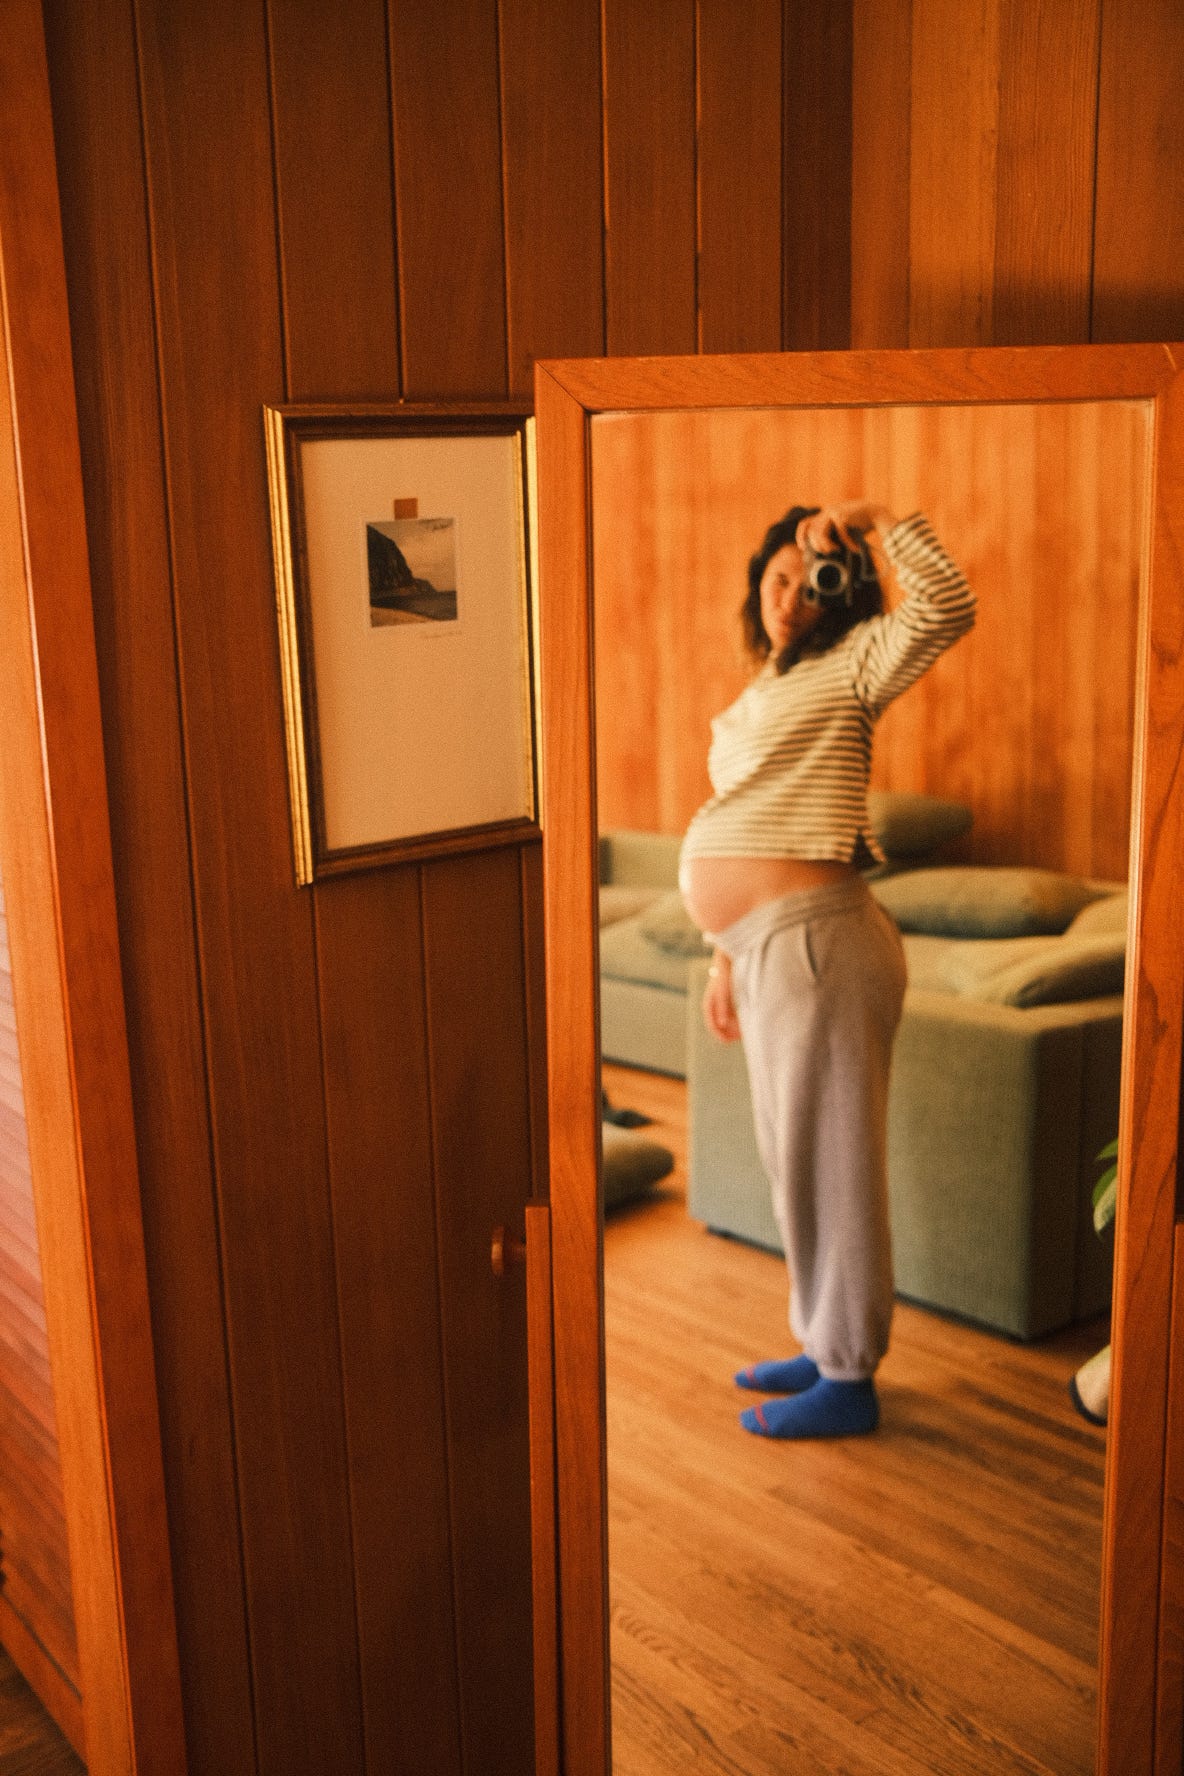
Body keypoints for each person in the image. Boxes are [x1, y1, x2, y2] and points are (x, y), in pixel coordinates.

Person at [679, 501, 975, 1439]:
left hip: (822, 943)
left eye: (808, 584)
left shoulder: (855, 663)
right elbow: (744, 817)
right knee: (793, 1157)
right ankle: (823, 1340)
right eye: (776, 578)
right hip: (769, 948)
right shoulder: (764, 689)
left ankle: (848, 1378)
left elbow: (948, 607)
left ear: (837, 593)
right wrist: (723, 954)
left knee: (833, 1164)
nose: (787, 598)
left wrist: (878, 521)